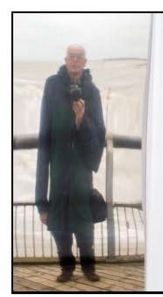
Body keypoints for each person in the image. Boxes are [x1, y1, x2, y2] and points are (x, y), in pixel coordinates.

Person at [35, 44, 107, 283]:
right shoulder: (52, 85)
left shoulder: (93, 91)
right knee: (58, 224)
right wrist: (40, 204)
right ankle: (67, 268)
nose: (75, 61)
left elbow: (99, 135)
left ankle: (88, 267)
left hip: (81, 169)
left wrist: (80, 120)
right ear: (65, 60)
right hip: (57, 164)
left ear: (85, 61)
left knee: (84, 223)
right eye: (71, 57)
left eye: (79, 57)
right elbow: (44, 128)